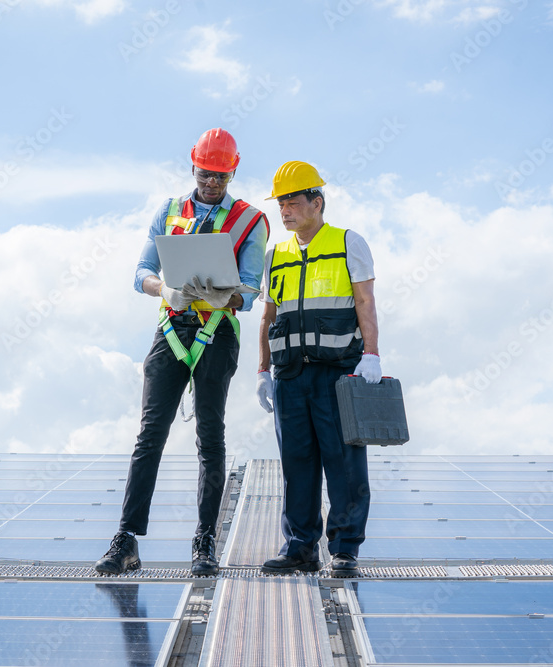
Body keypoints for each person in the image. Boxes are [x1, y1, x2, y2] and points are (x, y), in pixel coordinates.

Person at [96, 128, 269, 577]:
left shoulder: (251, 220)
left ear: (233, 172)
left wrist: (225, 297)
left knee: (210, 437)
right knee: (149, 433)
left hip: (217, 330)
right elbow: (141, 272)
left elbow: (252, 288)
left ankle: (205, 540)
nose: (212, 183)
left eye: (221, 177)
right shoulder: (169, 211)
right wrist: (164, 290)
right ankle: (126, 539)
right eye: (205, 174)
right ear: (194, 166)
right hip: (171, 328)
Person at [255, 161, 381, 577]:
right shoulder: (275, 255)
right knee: (297, 464)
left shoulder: (348, 243)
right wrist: (262, 371)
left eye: (292, 201)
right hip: (290, 376)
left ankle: (344, 549)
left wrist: (372, 355)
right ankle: (300, 547)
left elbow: (364, 302)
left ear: (317, 202)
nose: (285, 210)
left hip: (338, 373)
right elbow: (268, 316)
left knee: (344, 462)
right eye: (281, 203)